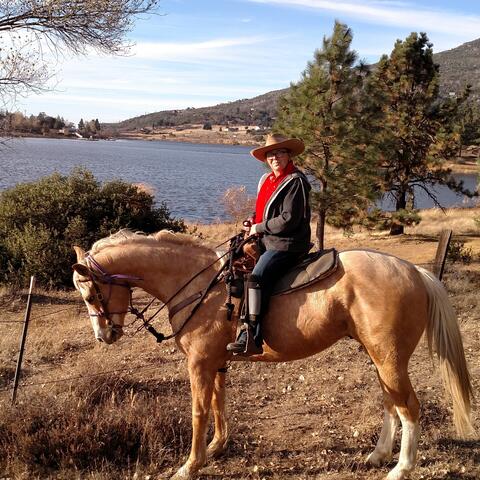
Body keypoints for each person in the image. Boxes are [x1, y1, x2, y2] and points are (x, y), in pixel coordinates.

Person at [226, 133, 311, 355]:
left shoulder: (296, 181)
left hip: (288, 243)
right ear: (266, 158)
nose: (275, 157)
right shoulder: (266, 180)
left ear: (288, 155)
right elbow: (262, 211)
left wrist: (259, 228)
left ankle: (251, 335)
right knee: (232, 263)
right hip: (266, 239)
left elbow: (288, 219)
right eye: (271, 154)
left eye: (280, 152)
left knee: (257, 277)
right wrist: (252, 222)